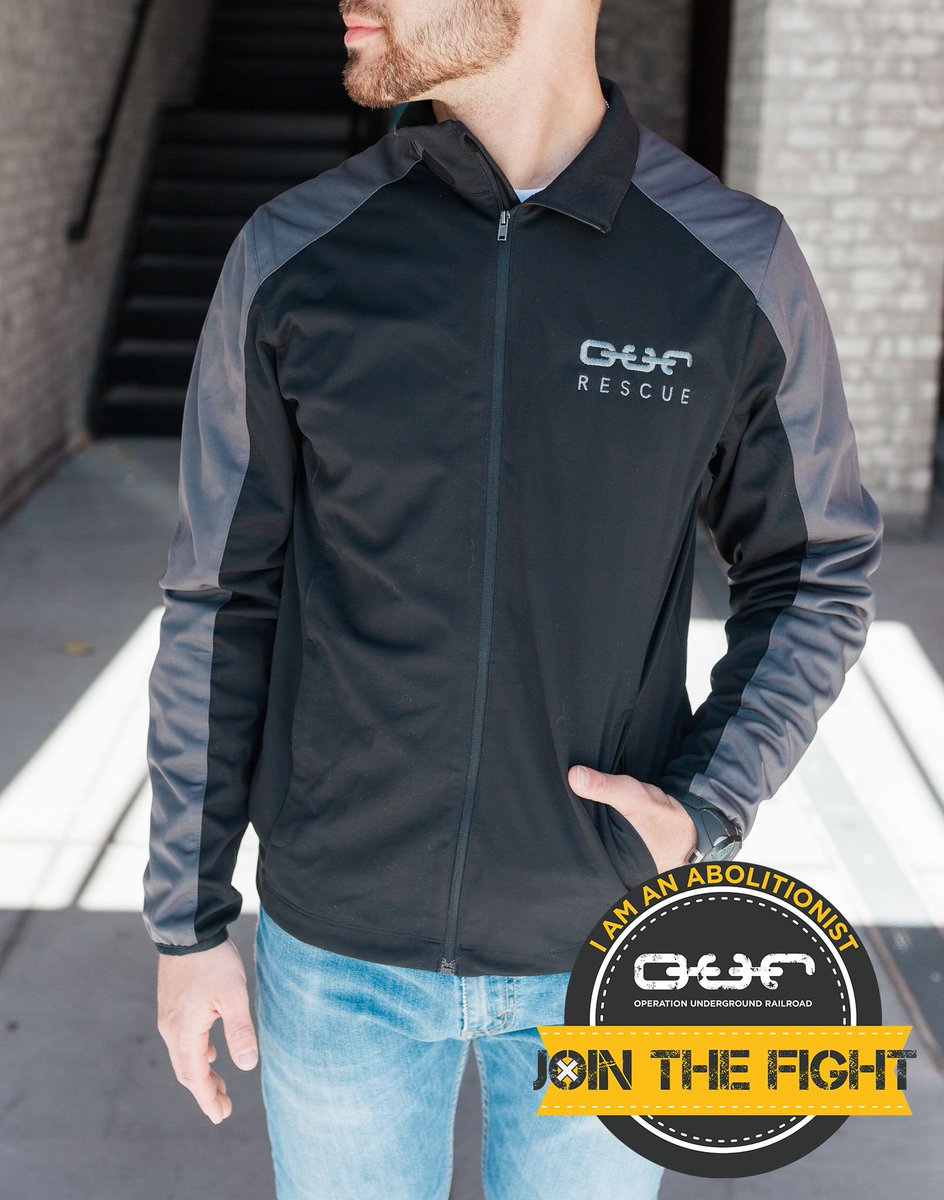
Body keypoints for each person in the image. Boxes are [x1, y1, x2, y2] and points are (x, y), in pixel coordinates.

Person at [143, 1, 884, 1196]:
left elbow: (816, 571)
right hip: (337, 956)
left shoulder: (729, 263)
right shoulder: (296, 251)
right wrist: (184, 924)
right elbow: (221, 597)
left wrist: (704, 806)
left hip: (601, 954)